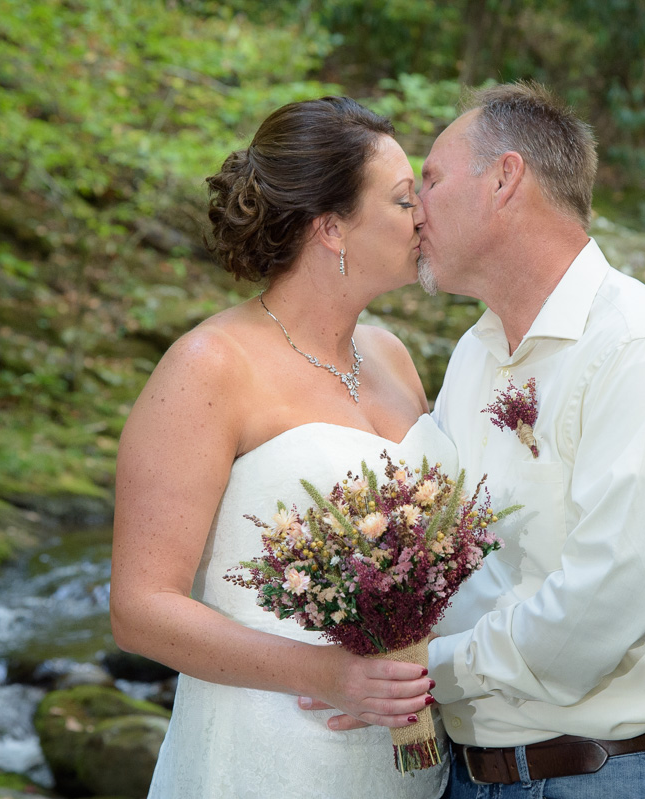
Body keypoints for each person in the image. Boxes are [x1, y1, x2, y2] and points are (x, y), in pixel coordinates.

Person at [109, 96, 451, 798]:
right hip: (265, 756)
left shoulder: (392, 356)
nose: (421, 216)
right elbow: (139, 606)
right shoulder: (209, 365)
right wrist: (327, 674)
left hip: (407, 758)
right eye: (400, 199)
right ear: (331, 228)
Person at [419, 82, 645, 797]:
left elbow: (615, 597)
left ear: (504, 179)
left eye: (431, 180)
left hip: (607, 776)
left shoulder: (640, 345)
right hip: (467, 772)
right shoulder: (473, 355)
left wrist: (429, 667)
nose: (415, 207)